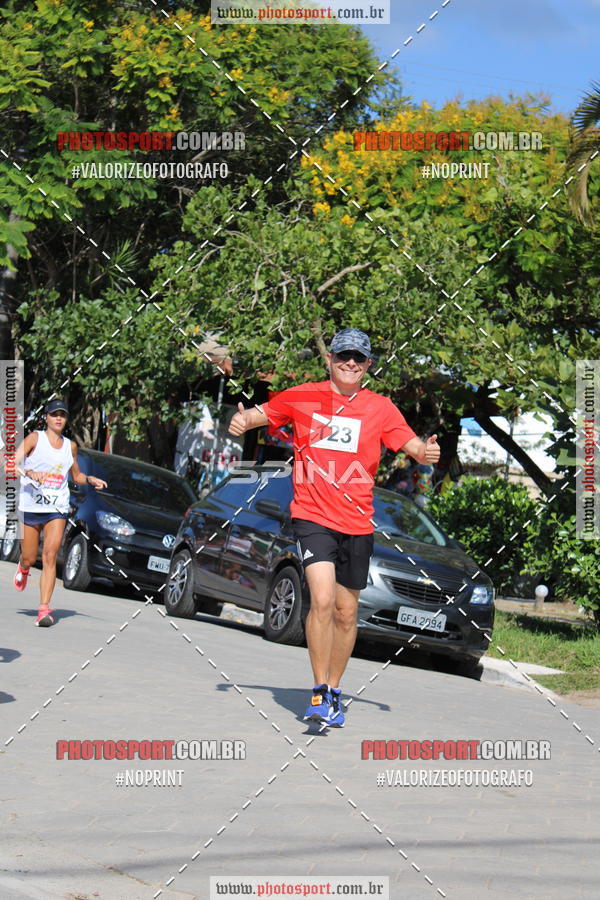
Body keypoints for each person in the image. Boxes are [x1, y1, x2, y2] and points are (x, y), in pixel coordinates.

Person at [228, 329, 440, 727]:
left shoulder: (381, 408)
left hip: (357, 521)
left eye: (358, 359)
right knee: (322, 601)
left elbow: (414, 448)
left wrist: (427, 452)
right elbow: (259, 415)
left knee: (346, 612)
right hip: (312, 515)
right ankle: (319, 690)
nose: (350, 364)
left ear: (368, 366)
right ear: (330, 359)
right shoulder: (303, 396)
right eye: (343, 355)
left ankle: (336, 689)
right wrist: (242, 420)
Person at [12, 399, 107, 626]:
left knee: (50, 555)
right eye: (54, 414)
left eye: (62, 415)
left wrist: (90, 479)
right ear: (46, 417)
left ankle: (44, 610)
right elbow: (10, 464)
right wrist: (28, 472)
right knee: (29, 556)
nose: (58, 418)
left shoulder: (70, 446)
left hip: (57, 508)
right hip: (31, 505)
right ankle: (24, 568)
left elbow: (75, 476)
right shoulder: (35, 439)